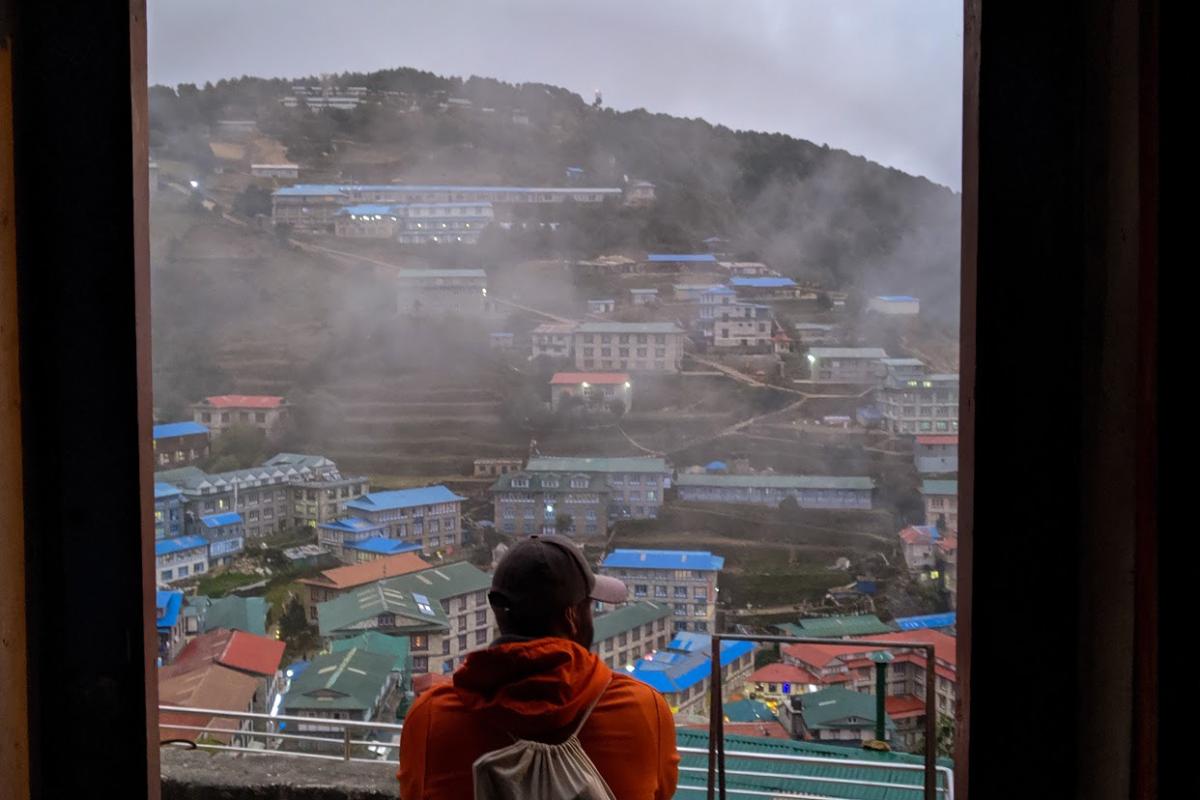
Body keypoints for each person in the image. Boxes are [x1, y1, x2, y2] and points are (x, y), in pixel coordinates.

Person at [398, 534, 680, 799]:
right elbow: (661, 792)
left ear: (499, 613)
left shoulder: (432, 717)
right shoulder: (643, 709)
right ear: (572, 616)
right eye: (589, 607)